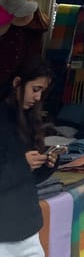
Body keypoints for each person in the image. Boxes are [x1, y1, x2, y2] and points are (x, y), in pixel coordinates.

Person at [0, 58, 59, 257]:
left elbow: (28, 179)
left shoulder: (27, 119)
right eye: (35, 89)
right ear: (17, 83)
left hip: (28, 230)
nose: (38, 97)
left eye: (42, 91)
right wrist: (24, 165)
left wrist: (46, 164)